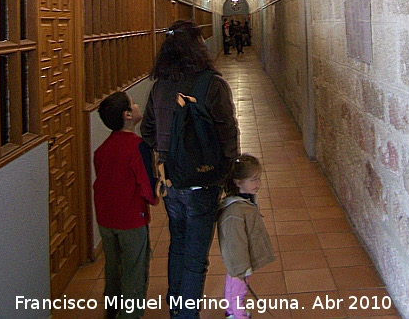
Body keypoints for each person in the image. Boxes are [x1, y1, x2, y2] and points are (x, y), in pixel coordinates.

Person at [141, 19, 239, 319]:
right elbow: (227, 133)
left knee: (178, 243)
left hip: (171, 181)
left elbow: (147, 131)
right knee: (196, 257)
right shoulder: (212, 84)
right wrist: (228, 172)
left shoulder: (159, 87)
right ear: (198, 47)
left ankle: (176, 309)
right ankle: (186, 315)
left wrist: (167, 152)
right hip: (203, 180)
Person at [93, 91, 157, 319]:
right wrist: (155, 197)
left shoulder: (102, 149)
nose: (137, 104)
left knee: (113, 266)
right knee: (134, 271)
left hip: (105, 219)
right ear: (127, 115)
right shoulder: (138, 147)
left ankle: (112, 309)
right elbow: (148, 187)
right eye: (132, 103)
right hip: (131, 220)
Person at [217, 155, 275, 319]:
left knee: (232, 283)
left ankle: (230, 312)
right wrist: (242, 266)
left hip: (238, 261)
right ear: (238, 182)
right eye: (254, 180)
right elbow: (235, 243)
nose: (258, 184)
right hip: (239, 261)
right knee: (239, 290)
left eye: (258, 179)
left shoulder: (244, 202)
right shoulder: (235, 212)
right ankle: (239, 315)